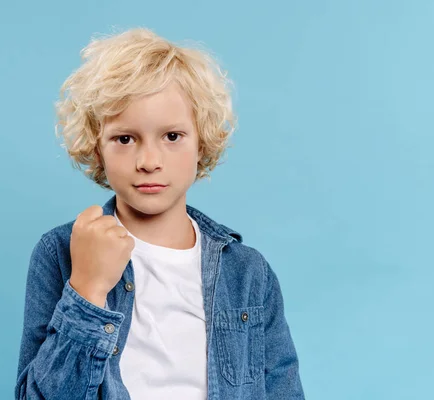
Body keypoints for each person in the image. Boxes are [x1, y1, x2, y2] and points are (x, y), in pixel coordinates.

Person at [15, 27, 305, 399]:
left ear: (201, 142)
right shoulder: (59, 253)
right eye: (125, 138)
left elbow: (284, 390)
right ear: (97, 147)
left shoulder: (248, 273)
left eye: (172, 137)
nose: (149, 162)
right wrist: (87, 290)